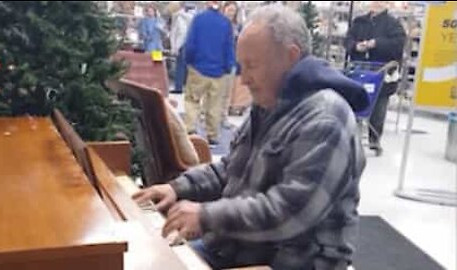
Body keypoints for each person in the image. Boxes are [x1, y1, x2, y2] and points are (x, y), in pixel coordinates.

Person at [134, 4, 368, 270]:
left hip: (293, 262)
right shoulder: (270, 103)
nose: (243, 80)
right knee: (153, 260)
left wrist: (207, 216)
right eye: (241, 66)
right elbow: (231, 168)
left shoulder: (326, 118)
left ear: (291, 56)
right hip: (239, 249)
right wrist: (176, 187)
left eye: (252, 66)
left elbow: (290, 213)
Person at [345, 1, 406, 155]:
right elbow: (348, 40)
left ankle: (375, 139)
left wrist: (376, 43)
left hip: (383, 73)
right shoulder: (359, 22)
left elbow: (398, 44)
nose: (376, 3)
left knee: (379, 107)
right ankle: (352, 136)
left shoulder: (393, 24)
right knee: (355, 104)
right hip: (360, 71)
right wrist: (355, 46)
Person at [182, 1, 235, 147]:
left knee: (192, 101)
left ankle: (190, 130)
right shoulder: (226, 23)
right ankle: (212, 136)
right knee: (214, 105)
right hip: (218, 71)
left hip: (198, 68)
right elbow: (229, 46)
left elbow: (191, 43)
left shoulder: (199, 19)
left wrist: (189, 61)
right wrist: (228, 67)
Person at [220, 1, 241, 129]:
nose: (231, 13)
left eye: (233, 10)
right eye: (229, 10)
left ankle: (223, 117)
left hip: (231, 61)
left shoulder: (237, 26)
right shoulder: (218, 24)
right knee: (214, 91)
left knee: (227, 92)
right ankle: (207, 115)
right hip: (218, 62)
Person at [170, 2, 194, 93]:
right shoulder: (175, 17)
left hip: (189, 43)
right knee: (179, 66)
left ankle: (189, 88)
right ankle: (178, 87)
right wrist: (173, 47)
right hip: (180, 44)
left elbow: (191, 20)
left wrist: (179, 13)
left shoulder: (190, 14)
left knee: (189, 67)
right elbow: (173, 32)